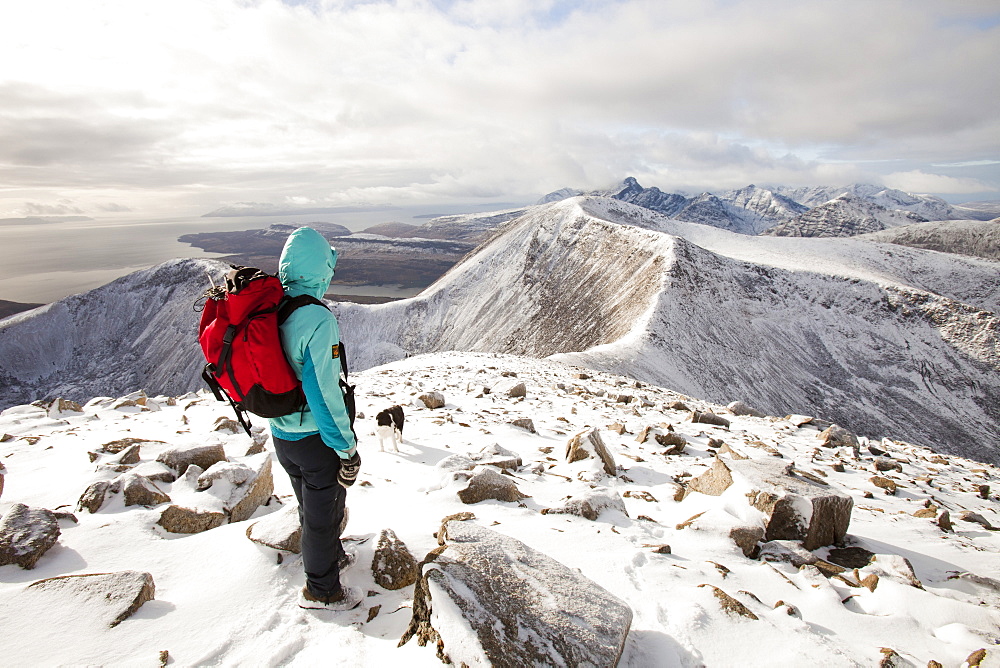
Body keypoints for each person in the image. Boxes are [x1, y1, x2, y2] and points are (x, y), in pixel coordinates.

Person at [268, 226, 362, 611]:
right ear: (320, 269)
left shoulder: (275, 307)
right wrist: (347, 449)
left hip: (282, 435)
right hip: (314, 439)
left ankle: (328, 558)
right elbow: (323, 394)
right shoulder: (316, 320)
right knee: (322, 516)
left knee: (311, 510)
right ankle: (321, 591)